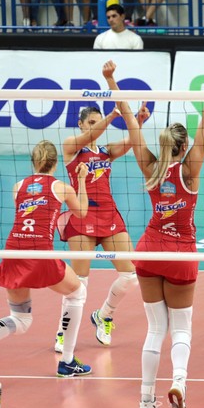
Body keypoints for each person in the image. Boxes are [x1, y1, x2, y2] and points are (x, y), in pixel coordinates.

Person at [103, 53, 204, 408]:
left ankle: (145, 403)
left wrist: (112, 81)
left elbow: (129, 119)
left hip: (149, 249)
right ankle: (179, 384)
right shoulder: (190, 168)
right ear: (184, 144)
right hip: (180, 253)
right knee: (182, 329)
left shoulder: (149, 165)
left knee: (154, 330)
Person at [0, 141, 92, 379]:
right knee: (77, 293)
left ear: (33, 161)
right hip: (39, 253)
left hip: (13, 251)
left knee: (21, 319)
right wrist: (81, 180)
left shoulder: (18, 186)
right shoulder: (62, 187)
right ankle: (67, 361)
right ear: (55, 162)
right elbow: (82, 212)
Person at [53, 101, 147, 353]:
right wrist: (114, 114)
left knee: (130, 275)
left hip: (109, 215)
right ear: (81, 124)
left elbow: (131, 141)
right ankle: (63, 332)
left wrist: (136, 120)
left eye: (98, 122)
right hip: (82, 214)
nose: (96, 128)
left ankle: (104, 315)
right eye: (91, 123)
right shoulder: (71, 146)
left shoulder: (106, 152)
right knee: (79, 282)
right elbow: (93, 135)